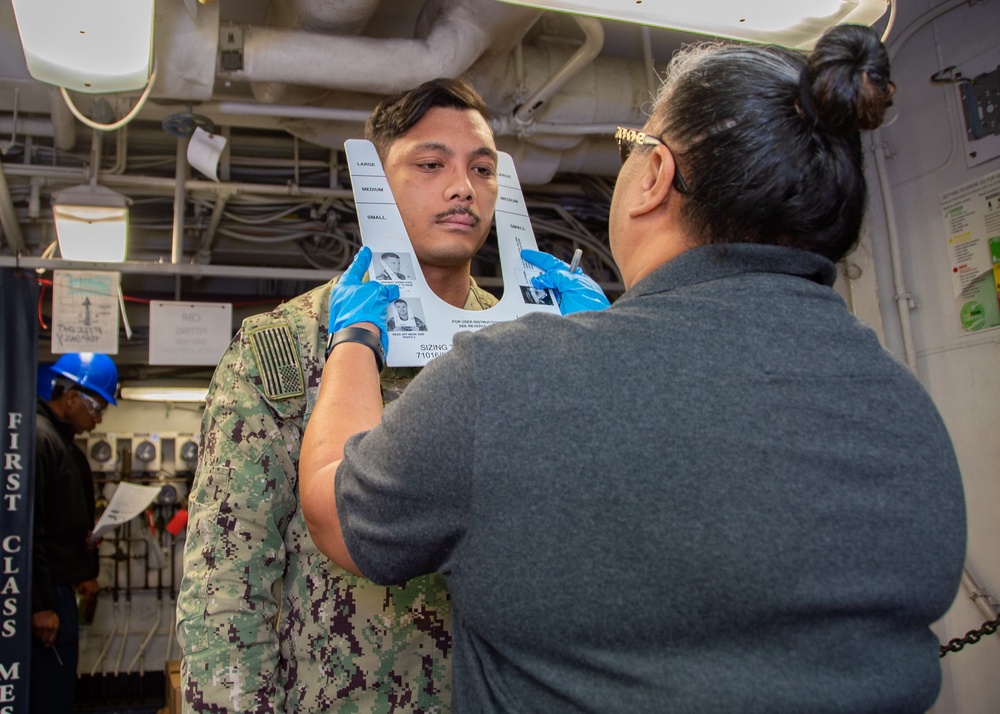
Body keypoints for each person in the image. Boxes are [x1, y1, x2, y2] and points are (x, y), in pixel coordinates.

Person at [299, 25, 967, 713]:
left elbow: (334, 507)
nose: (462, 189)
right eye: (431, 165)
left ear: (653, 177)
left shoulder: (502, 381)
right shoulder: (909, 413)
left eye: (631, 148)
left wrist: (354, 337)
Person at [176, 77, 502, 712]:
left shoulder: (518, 346)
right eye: (431, 164)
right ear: (375, 188)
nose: (463, 186)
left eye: (482, 168)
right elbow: (228, 583)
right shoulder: (284, 351)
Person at [31, 352, 118, 713]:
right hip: (46, 597)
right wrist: (40, 606)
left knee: (59, 690)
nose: (97, 420)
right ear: (70, 397)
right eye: (96, 408)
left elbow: (62, 521)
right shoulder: (39, 440)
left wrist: (85, 569)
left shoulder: (63, 444)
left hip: (61, 589)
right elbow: (29, 531)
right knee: (47, 693)